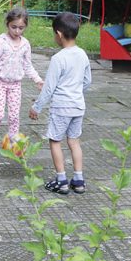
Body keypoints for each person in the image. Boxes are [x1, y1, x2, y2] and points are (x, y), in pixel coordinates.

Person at [29, 12, 92, 194]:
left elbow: (49, 88)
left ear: (58, 34)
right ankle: (79, 180)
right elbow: (87, 81)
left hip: (61, 107)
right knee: (74, 141)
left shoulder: (58, 58)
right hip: (78, 106)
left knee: (55, 141)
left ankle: (62, 180)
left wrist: (36, 107)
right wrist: (76, 93)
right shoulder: (82, 54)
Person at [0, 7, 43, 157]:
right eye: (14, 27)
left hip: (15, 85)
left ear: (25, 27)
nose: (17, 31)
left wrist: (37, 79)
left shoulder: (25, 44)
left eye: (21, 28)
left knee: (14, 116)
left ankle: (14, 143)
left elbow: (28, 65)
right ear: (7, 24)